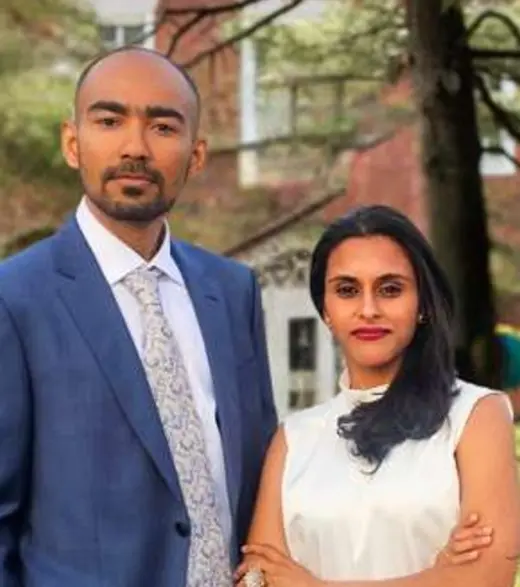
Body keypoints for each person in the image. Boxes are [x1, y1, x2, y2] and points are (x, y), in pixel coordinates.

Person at [0, 46, 277, 586]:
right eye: (110, 121)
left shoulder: (232, 291)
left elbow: (258, 475)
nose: (135, 147)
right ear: (72, 143)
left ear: (196, 156)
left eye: (163, 127)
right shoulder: (15, 299)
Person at [236, 205, 520, 587]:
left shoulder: (475, 415)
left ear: (422, 305)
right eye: (347, 290)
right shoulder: (294, 439)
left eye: (390, 289)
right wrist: (437, 578)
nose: (368, 310)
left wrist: (311, 585)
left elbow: (487, 578)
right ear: (325, 310)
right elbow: (256, 579)